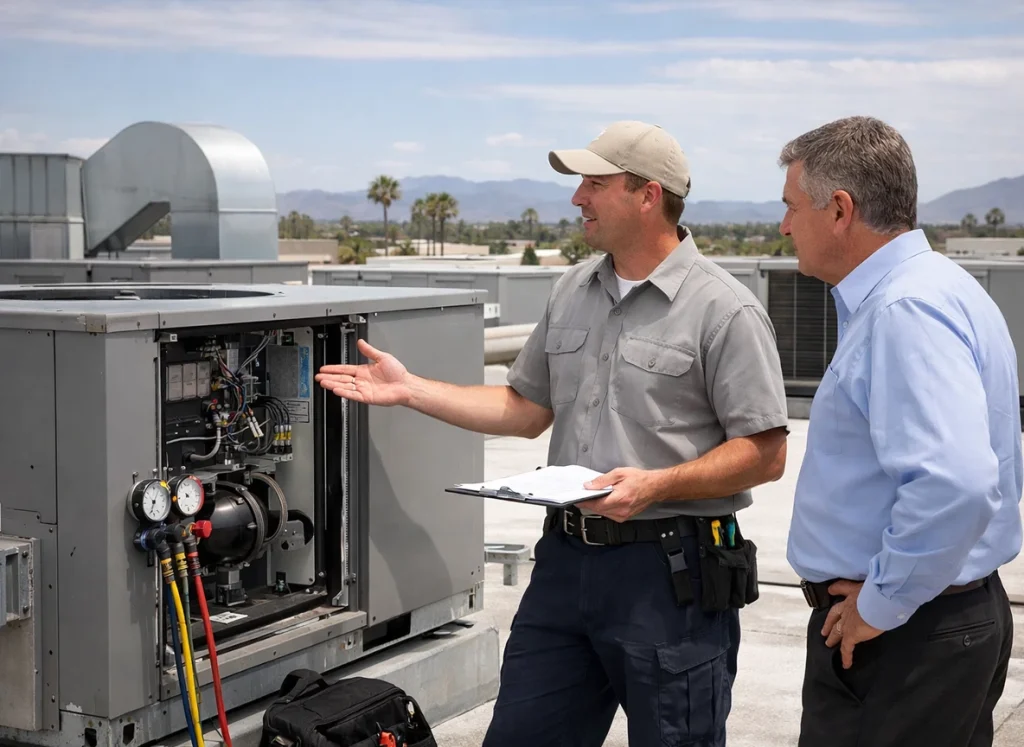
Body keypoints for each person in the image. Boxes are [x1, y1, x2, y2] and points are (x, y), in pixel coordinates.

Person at [317, 120, 790, 746]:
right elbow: (525, 407)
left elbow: (766, 452)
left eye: (594, 183)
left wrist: (656, 485)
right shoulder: (573, 289)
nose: (577, 199)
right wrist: (411, 390)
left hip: (671, 576)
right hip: (565, 566)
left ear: (648, 196)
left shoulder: (724, 310)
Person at [781, 116, 1022, 747]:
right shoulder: (943, 288)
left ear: (839, 209)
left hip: (903, 637)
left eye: (791, 208)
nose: (784, 227)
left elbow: (957, 485)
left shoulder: (902, 310)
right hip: (939, 620)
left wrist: (878, 605)